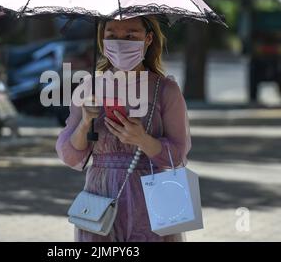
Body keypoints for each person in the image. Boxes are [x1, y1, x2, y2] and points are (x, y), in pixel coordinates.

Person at [55, 15, 191, 242]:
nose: (120, 42)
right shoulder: (90, 87)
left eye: (130, 35)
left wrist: (142, 139)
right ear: (102, 40)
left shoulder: (166, 89)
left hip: (153, 195)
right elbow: (70, 154)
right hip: (99, 195)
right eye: (112, 35)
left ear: (148, 39)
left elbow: (177, 156)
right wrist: (85, 121)